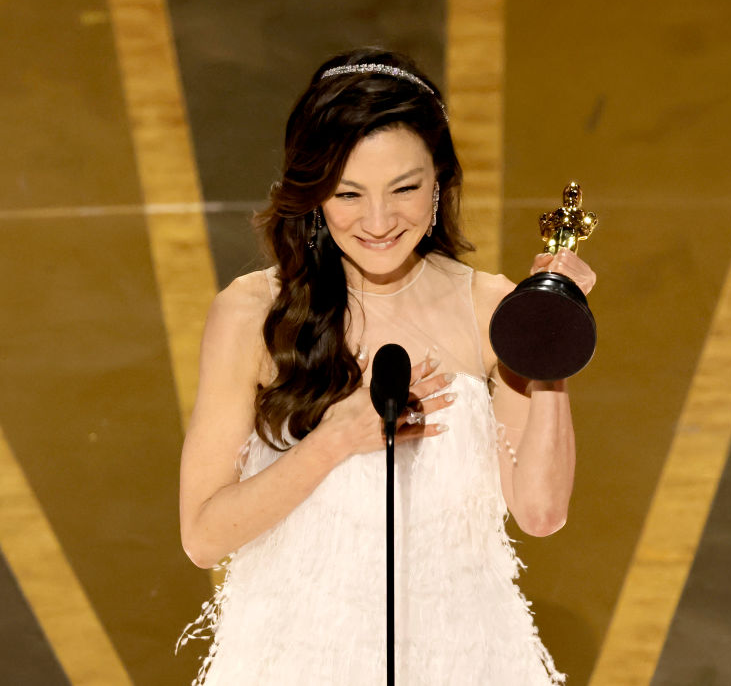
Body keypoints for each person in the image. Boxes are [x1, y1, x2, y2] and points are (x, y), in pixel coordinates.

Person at [177, 48, 596, 685]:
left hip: (465, 661)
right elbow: (204, 536)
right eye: (348, 194)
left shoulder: (487, 306)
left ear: (440, 183)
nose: (378, 222)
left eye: (405, 188)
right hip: (297, 662)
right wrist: (335, 441)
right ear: (314, 194)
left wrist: (550, 335)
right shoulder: (253, 316)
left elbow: (539, 514)